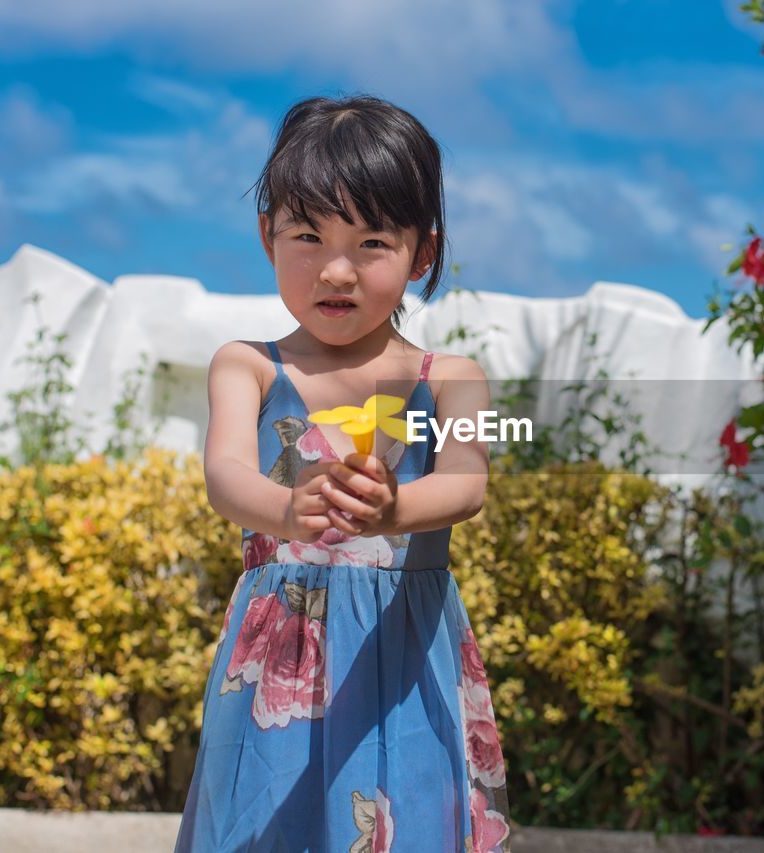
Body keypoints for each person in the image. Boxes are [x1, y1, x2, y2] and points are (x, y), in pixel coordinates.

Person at [174, 94, 513, 852]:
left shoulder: (454, 378)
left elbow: (467, 478)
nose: (336, 268)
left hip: (402, 655)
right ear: (267, 236)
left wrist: (392, 510)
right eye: (307, 234)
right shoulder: (248, 366)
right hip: (274, 673)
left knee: (408, 819)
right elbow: (226, 472)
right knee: (265, 826)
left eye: (371, 243)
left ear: (422, 253)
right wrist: (290, 511)